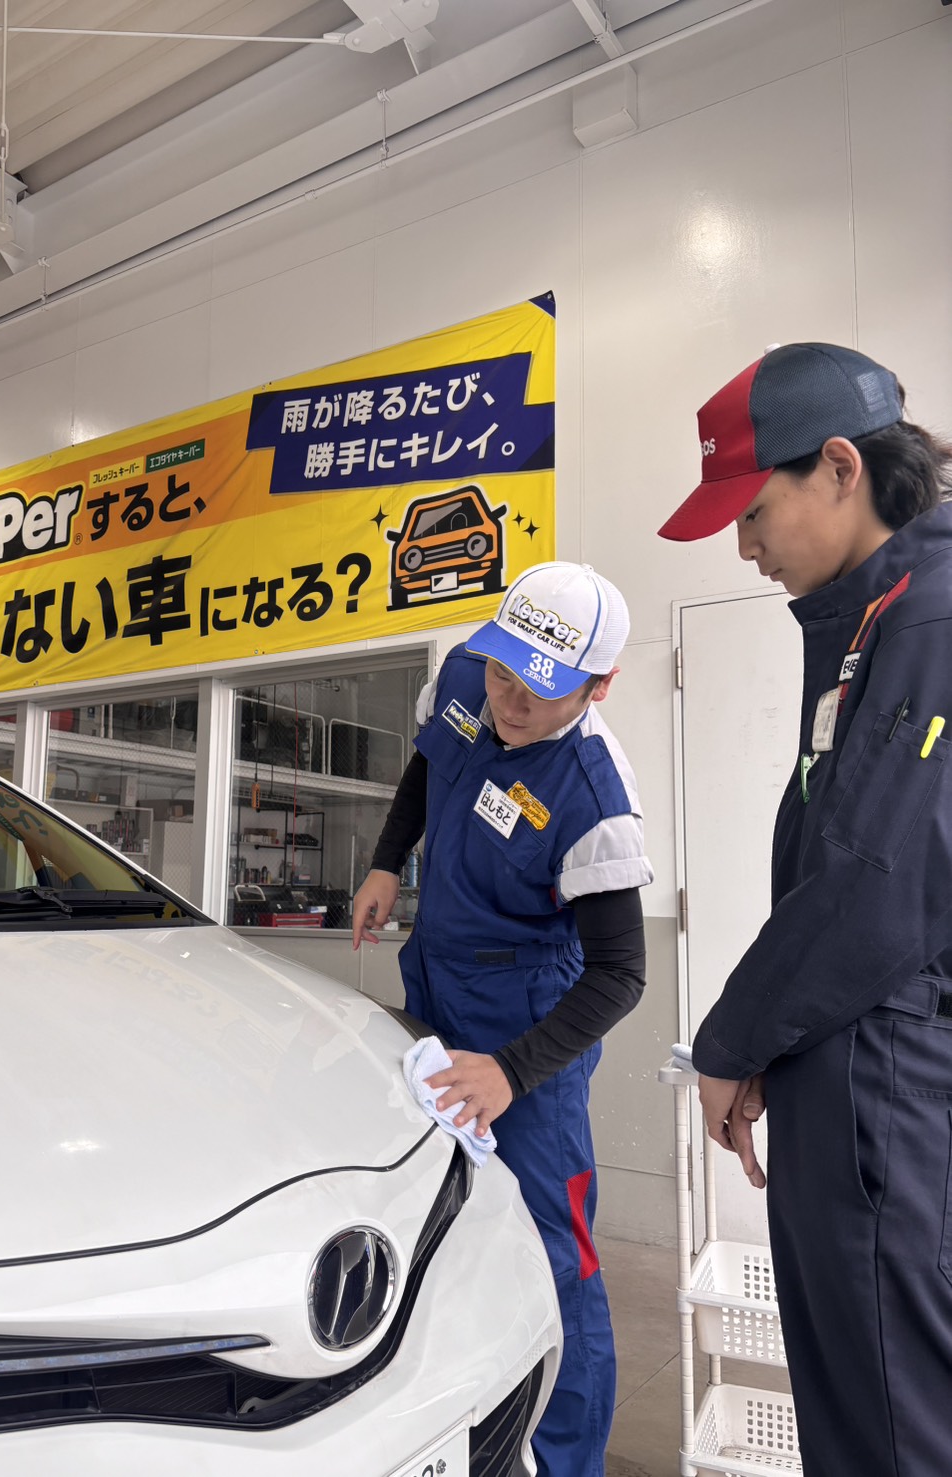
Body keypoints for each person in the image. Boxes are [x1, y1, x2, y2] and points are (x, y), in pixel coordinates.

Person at [659, 342, 952, 1476]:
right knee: (855, 1400)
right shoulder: (875, 618)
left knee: (891, 1421)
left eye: (751, 507)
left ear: (838, 466)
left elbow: (875, 886)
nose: (742, 544)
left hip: (888, 1084)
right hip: (854, 1073)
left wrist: (732, 1043)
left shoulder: (928, 622)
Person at [352, 561, 653, 1477]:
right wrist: (386, 861)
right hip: (435, 980)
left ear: (598, 686)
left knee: (558, 1253)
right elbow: (427, 769)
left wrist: (512, 1072)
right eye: (501, 675)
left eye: (538, 691)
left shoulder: (597, 800)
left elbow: (620, 974)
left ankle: (567, 1460)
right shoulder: (461, 679)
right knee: (440, 1208)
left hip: (529, 1022)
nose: (508, 703)